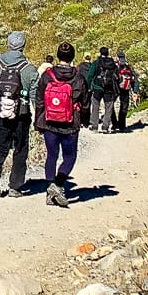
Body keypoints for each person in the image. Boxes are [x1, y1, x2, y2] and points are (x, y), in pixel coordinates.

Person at [34, 41, 91, 206]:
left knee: (51, 156)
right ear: (73, 57)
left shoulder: (47, 76)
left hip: (49, 122)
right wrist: (85, 121)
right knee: (70, 157)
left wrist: (38, 121)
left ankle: (50, 190)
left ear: (58, 56)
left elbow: (39, 100)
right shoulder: (79, 78)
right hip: (70, 124)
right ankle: (58, 184)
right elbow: (85, 103)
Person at [0, 32, 35, 196]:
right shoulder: (29, 69)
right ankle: (15, 186)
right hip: (21, 115)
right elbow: (35, 94)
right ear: (23, 46)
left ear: (8, 44)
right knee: (20, 149)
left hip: (0, 114)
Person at [88, 46, 119, 133]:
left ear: (100, 53)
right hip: (109, 88)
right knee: (108, 107)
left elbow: (90, 75)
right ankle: (105, 127)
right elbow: (117, 76)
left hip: (97, 87)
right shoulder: (112, 63)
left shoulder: (96, 63)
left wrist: (88, 86)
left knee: (95, 106)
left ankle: (94, 126)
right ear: (108, 53)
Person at [114, 51, 137, 132]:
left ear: (117, 57)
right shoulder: (128, 66)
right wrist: (135, 91)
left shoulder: (116, 65)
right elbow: (134, 78)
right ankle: (122, 125)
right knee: (124, 106)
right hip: (126, 88)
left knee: (110, 104)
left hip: (116, 88)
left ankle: (114, 123)